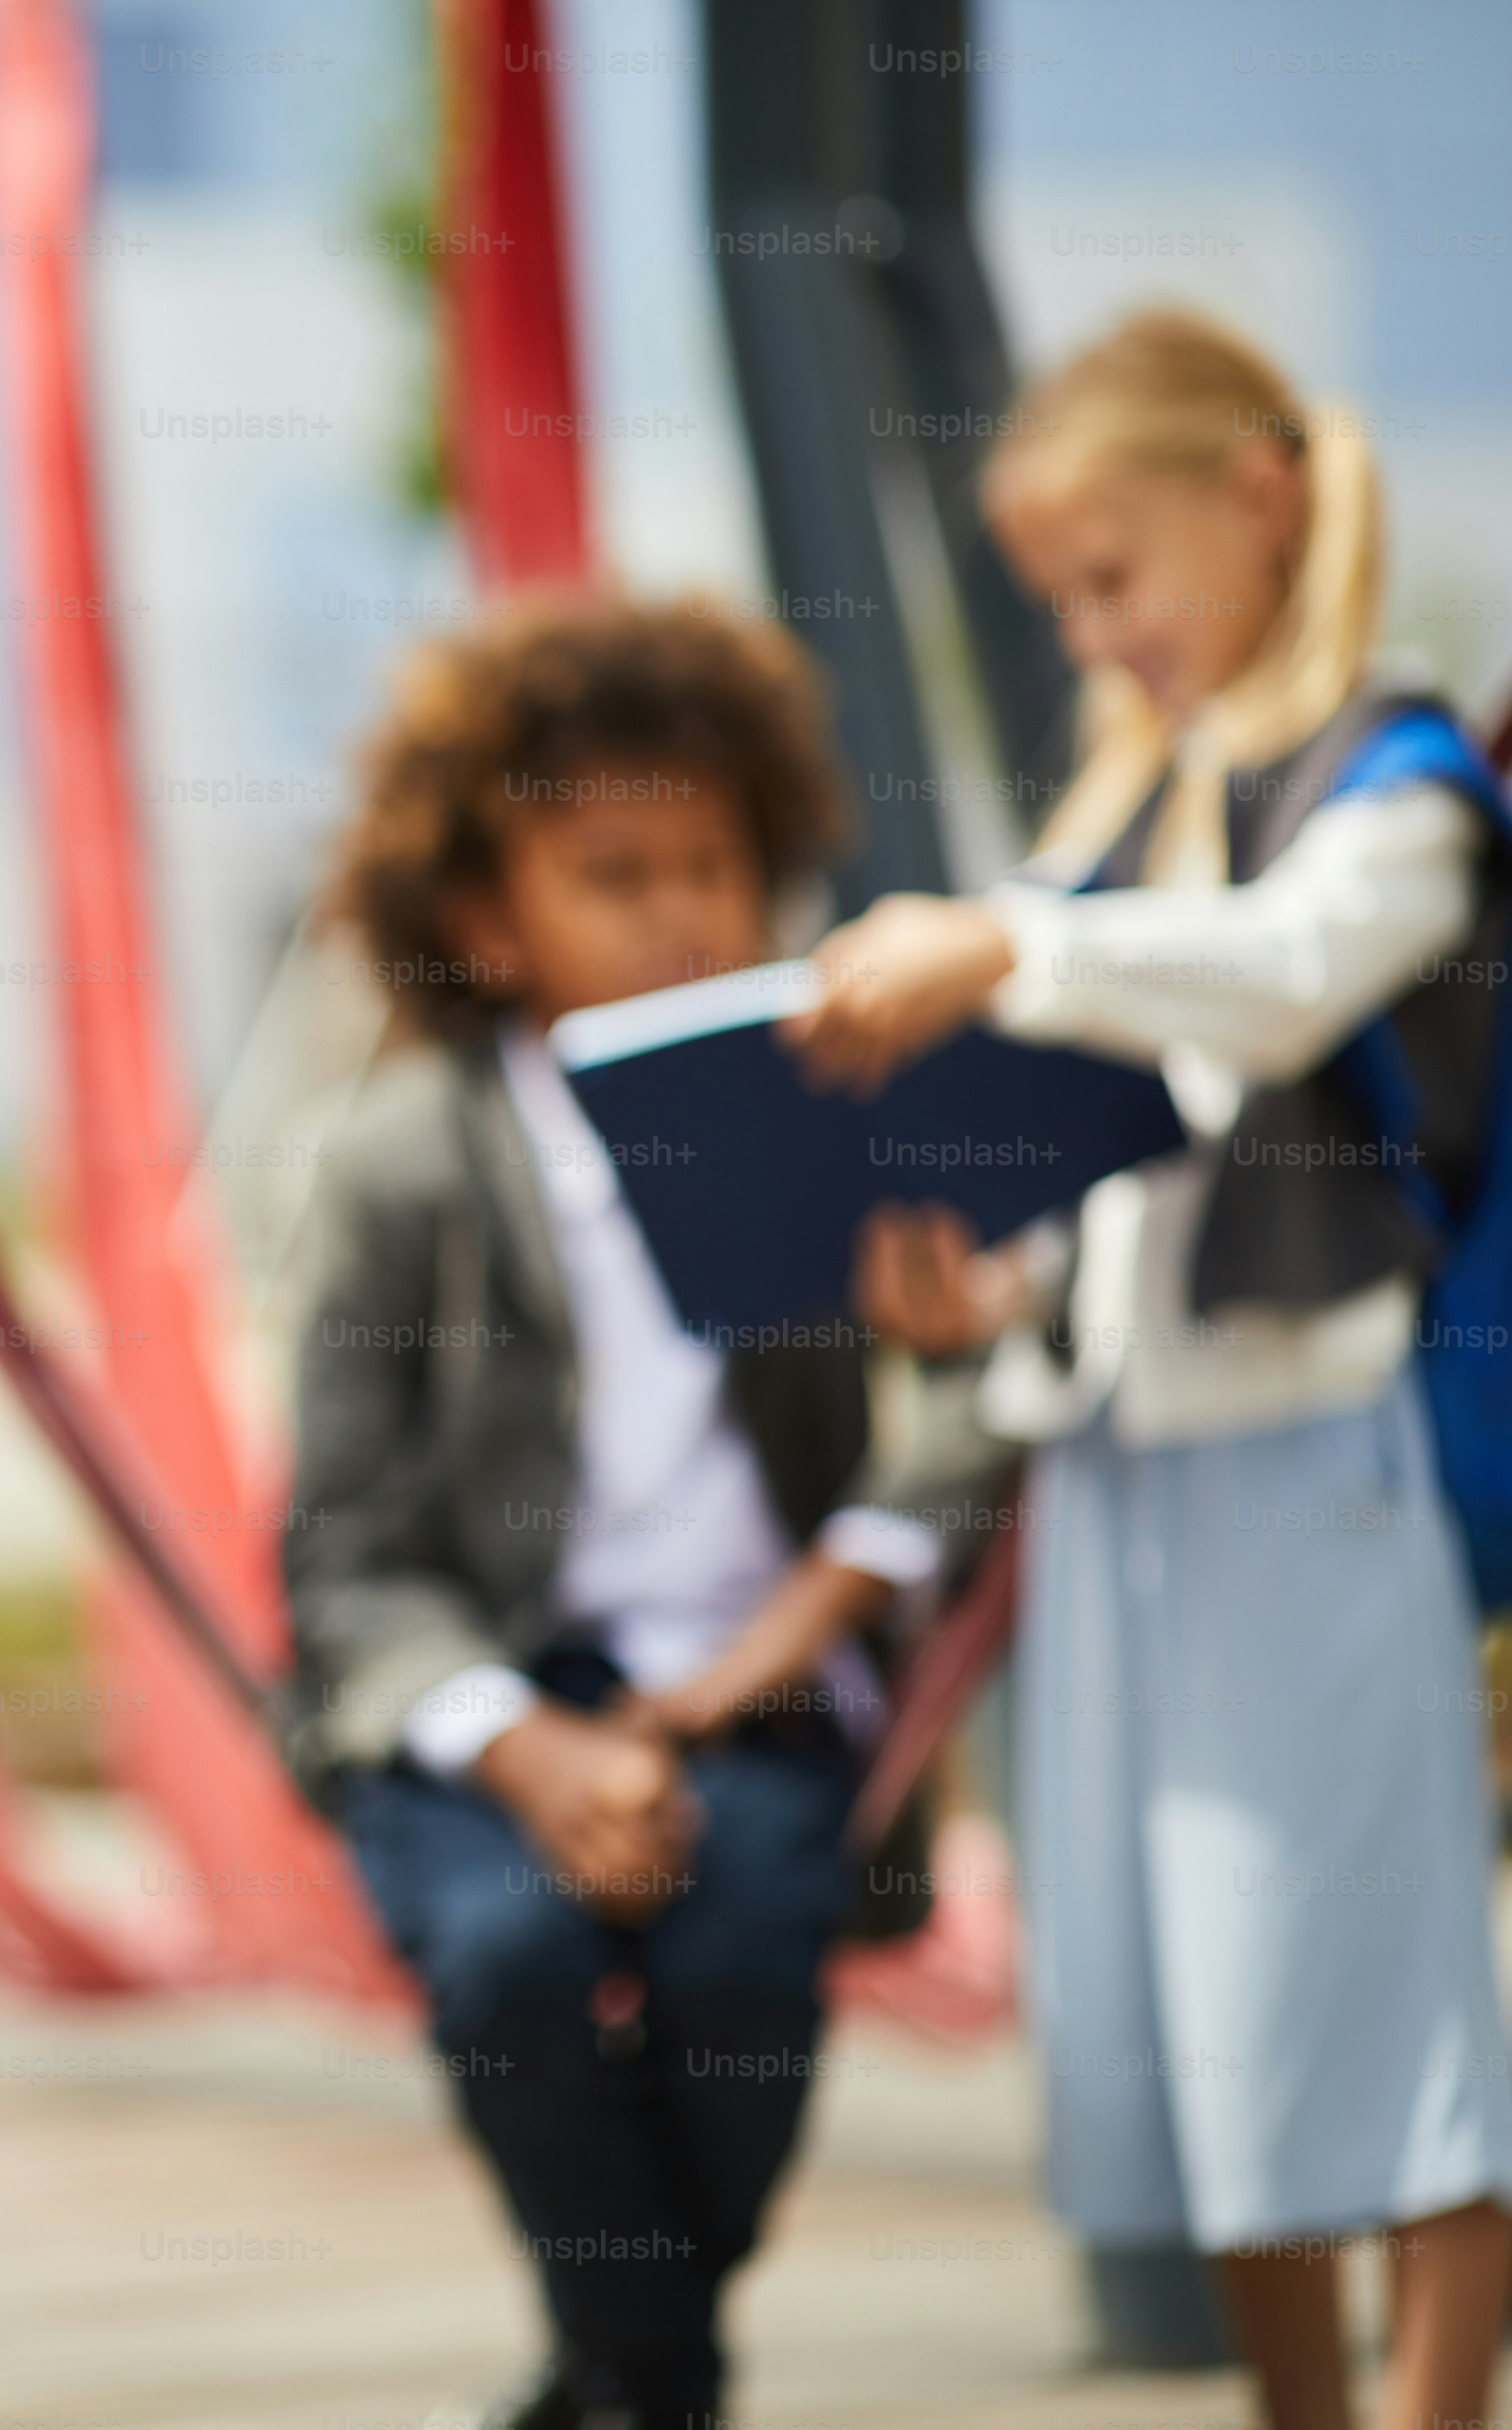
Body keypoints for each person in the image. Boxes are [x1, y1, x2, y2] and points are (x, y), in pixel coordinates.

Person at [791, 307, 1512, 2430]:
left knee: (1373, 2004)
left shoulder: (1392, 788)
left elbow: (1292, 984)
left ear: (1259, 498)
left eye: (1118, 578)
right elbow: (1112, 1206)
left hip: (1322, 1468)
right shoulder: (1128, 818)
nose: (1101, 636)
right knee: (1190, 2036)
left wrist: (1012, 946)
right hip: (1119, 1485)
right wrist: (983, 1301)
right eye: (1064, 602)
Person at [285, 598, 990, 2430]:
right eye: (614, 874)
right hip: (496, 1706)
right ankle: (651, 2385)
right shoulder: (399, 1169)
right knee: (515, 1958)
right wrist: (528, 1753)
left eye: (714, 864)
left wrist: (946, 1361)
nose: (682, 909)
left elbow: (986, 1419)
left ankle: (611, 2377)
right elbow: (347, 1562)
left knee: (744, 1958)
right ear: (485, 921)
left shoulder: (835, 1117)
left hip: (767, 1692)